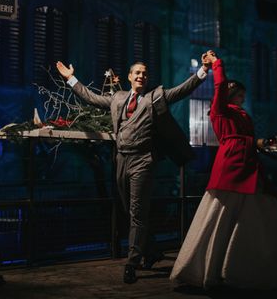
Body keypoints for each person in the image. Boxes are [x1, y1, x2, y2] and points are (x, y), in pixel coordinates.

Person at [170, 51, 277, 290]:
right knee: (224, 214)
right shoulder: (220, 110)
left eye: (242, 95)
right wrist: (216, 64)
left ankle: (256, 268)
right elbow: (220, 86)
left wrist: (260, 144)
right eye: (240, 94)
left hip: (245, 163)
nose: (243, 98)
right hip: (233, 164)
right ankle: (216, 270)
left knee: (251, 216)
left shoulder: (240, 114)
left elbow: (248, 139)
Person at [56, 56, 210, 284]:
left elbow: (182, 90)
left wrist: (203, 69)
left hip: (143, 161)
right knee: (130, 212)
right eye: (137, 72)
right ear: (129, 77)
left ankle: (132, 263)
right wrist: (71, 79)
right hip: (121, 159)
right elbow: (92, 98)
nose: (141, 76)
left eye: (144, 73)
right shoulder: (117, 97)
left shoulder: (155, 97)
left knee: (137, 213)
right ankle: (153, 251)